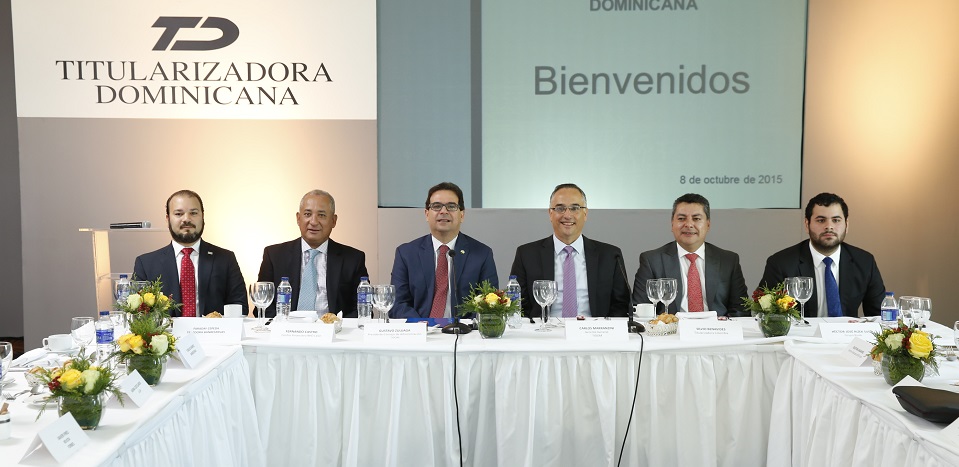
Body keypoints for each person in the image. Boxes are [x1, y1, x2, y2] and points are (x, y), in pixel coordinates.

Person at [510, 183, 630, 319]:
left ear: (585, 214)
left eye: (575, 208)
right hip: (545, 335)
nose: (567, 215)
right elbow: (518, 306)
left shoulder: (610, 256)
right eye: (560, 208)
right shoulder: (527, 254)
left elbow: (621, 305)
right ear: (550, 213)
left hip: (594, 334)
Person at [759, 192, 885, 317]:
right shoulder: (781, 263)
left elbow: (879, 316)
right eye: (821, 220)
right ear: (807, 225)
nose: (829, 226)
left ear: (846, 225)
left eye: (836, 220)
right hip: (800, 335)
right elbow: (767, 315)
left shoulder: (864, 262)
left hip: (846, 335)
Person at [389, 182, 498, 319]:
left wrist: (467, 327)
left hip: (465, 334)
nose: (443, 211)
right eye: (436, 206)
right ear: (427, 214)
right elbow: (397, 303)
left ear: (462, 215)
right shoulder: (406, 253)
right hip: (420, 333)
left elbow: (489, 303)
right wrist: (422, 326)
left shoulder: (482, 254)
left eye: (451, 206)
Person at [133, 190, 247, 317]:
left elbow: (240, 306)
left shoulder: (226, 259)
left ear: (203, 217)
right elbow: (139, 312)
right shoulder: (146, 264)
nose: (186, 219)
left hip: (214, 335)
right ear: (167, 219)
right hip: (166, 335)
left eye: (193, 213)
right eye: (178, 213)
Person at [257, 190, 369, 318]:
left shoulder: (353, 259)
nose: (314, 222)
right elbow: (262, 305)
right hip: (286, 332)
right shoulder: (274, 255)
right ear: (298, 219)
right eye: (307, 214)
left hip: (333, 333)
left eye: (321, 215)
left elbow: (362, 308)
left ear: (334, 221)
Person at [632, 193, 748, 316]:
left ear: (708, 224)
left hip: (716, 331)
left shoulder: (728, 260)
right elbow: (641, 309)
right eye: (681, 218)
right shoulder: (652, 261)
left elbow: (740, 309)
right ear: (672, 224)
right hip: (672, 332)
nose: (688, 224)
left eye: (696, 219)